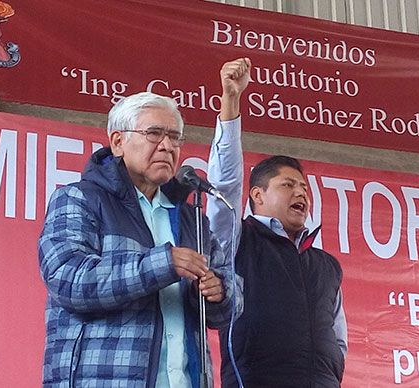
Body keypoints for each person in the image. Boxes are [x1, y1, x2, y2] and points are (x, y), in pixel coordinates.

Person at [38, 91, 242, 387]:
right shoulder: (78, 198)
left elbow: (231, 292)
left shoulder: (191, 218)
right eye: (154, 134)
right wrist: (163, 263)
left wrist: (220, 291)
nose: (167, 146)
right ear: (118, 142)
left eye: (175, 137)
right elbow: (67, 278)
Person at [208, 58, 347, 387]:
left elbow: (338, 337)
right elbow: (223, 186)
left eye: (304, 188)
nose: (301, 192)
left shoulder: (325, 265)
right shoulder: (239, 241)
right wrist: (231, 101)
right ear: (256, 196)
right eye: (288, 185)